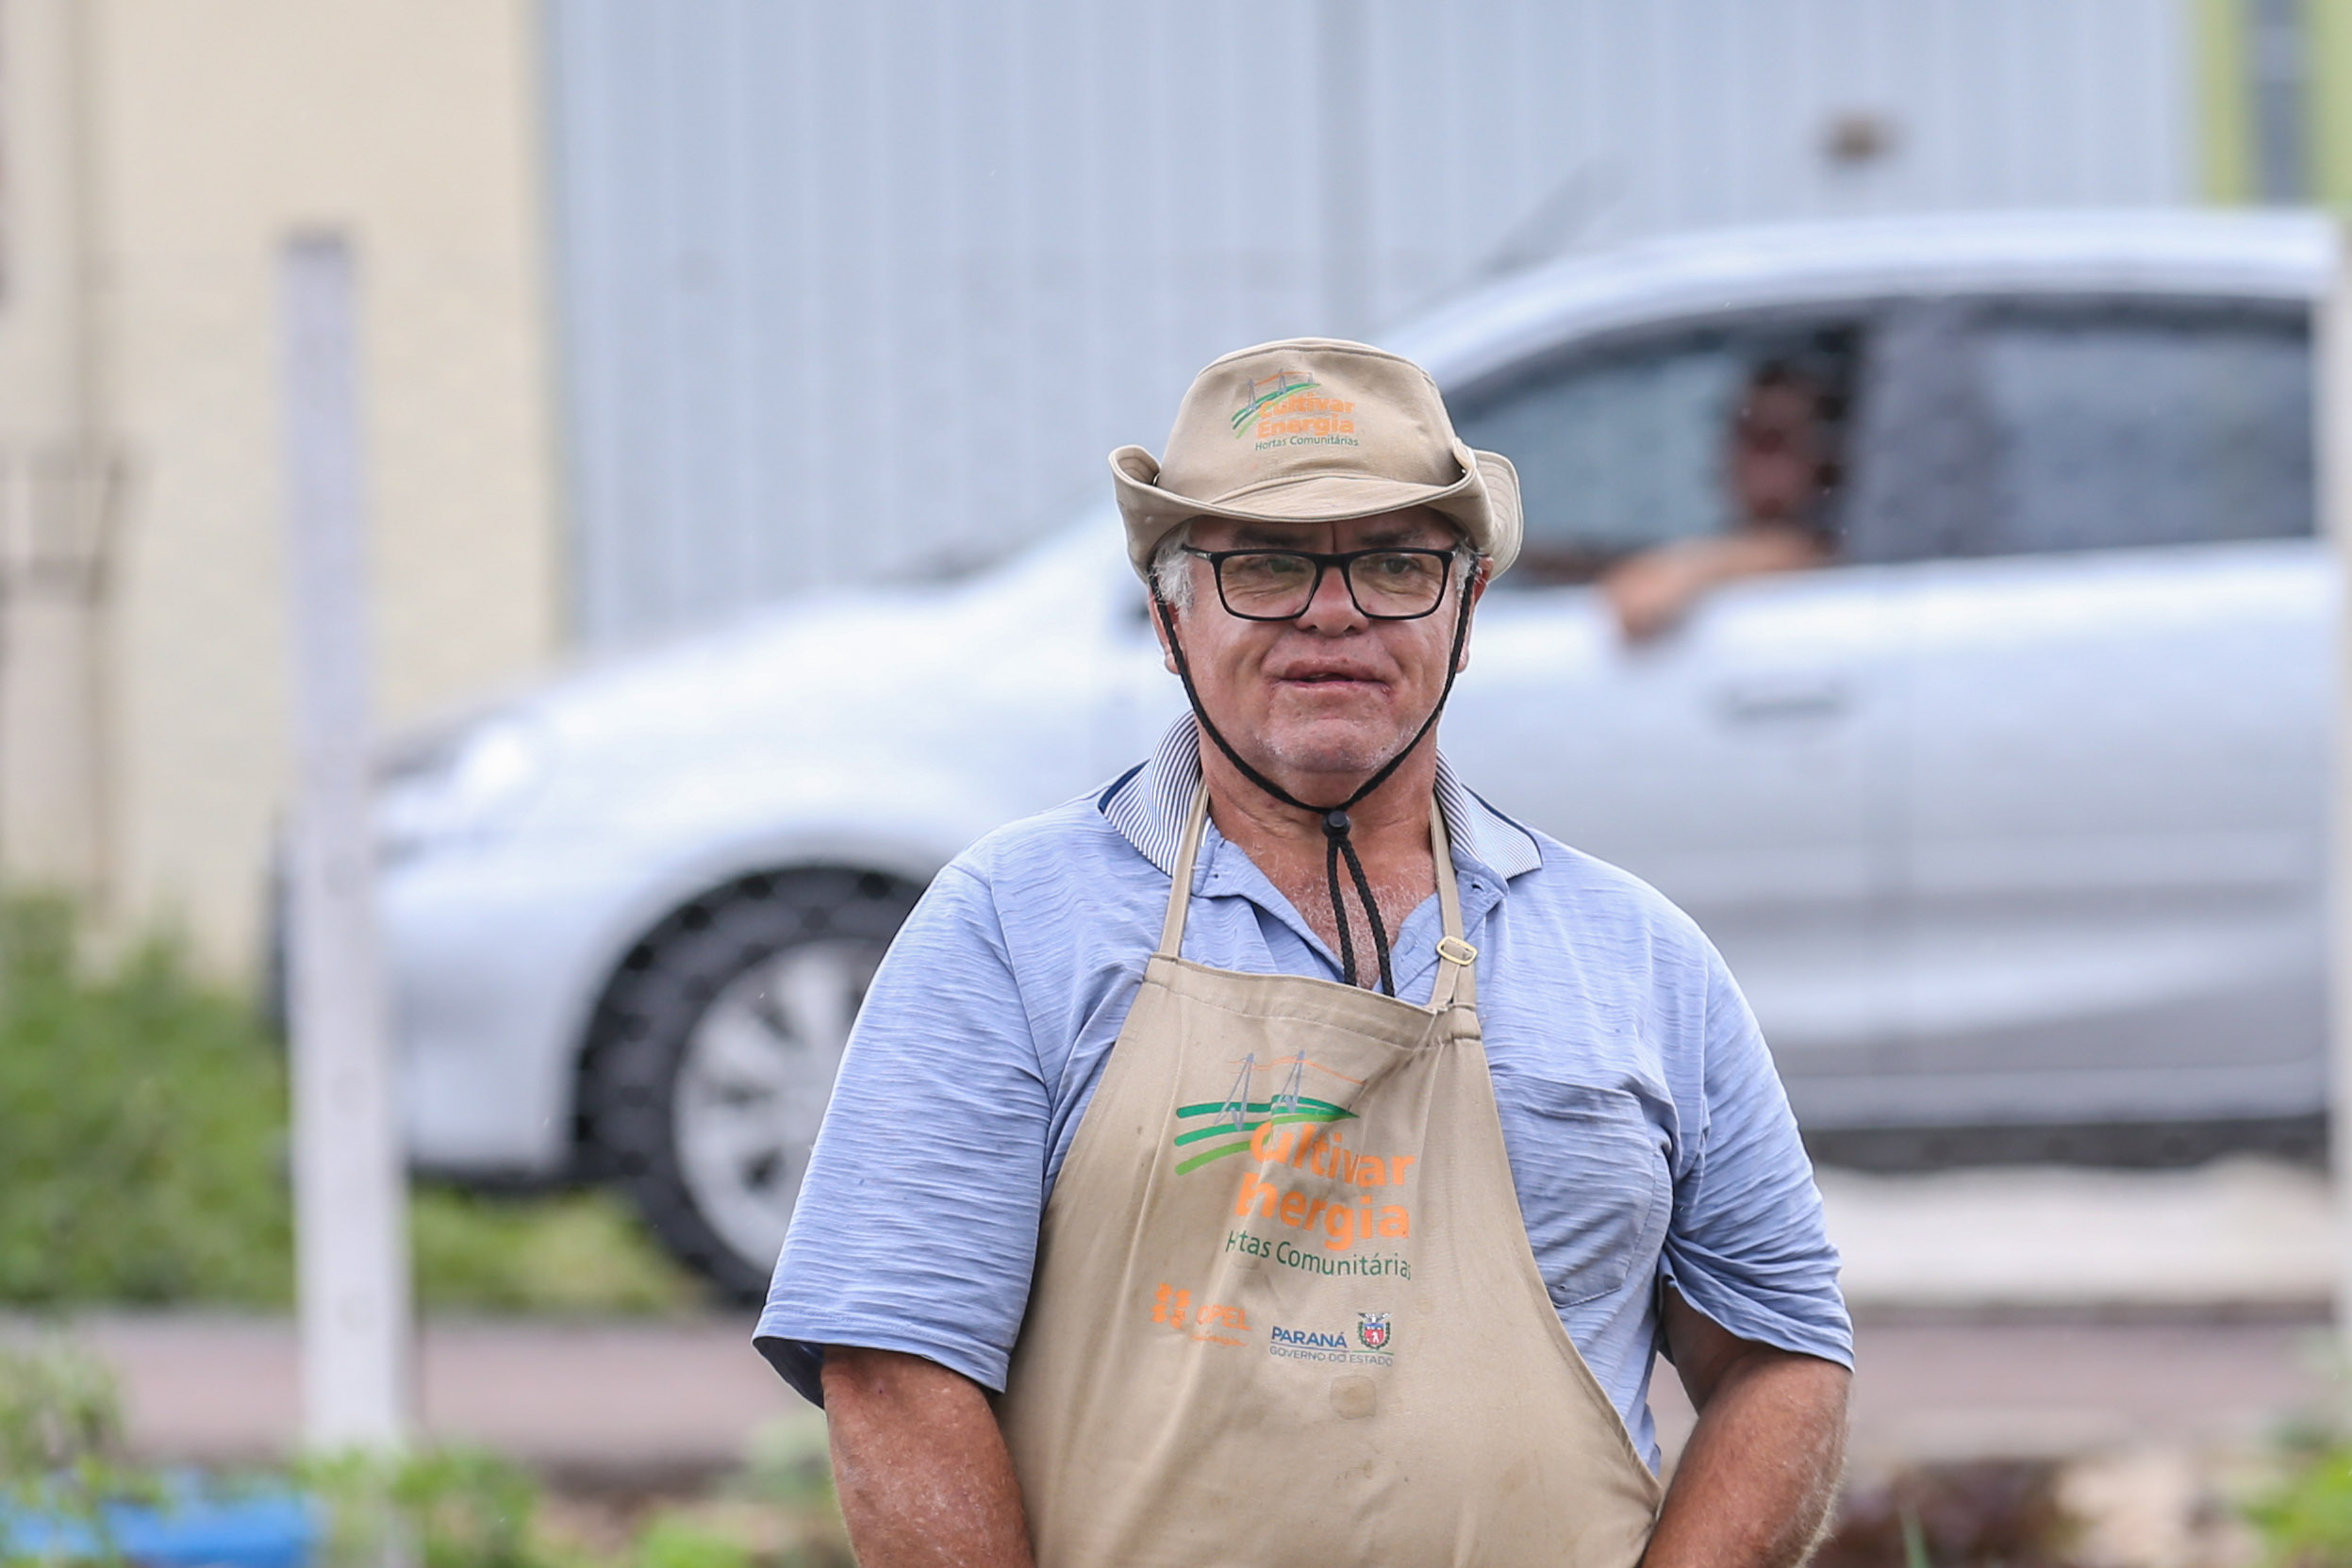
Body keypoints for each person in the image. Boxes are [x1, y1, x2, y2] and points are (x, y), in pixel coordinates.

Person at [756, 338, 1853, 1568]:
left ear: (1467, 607)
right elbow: (893, 1364)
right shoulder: (1011, 924)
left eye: (1393, 563)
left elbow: (1778, 1352)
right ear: (1170, 616)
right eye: (1266, 565)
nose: (1332, 614)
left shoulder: (1638, 954)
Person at [1600, 359, 1844, 640]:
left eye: (1774, 441)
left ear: (1825, 458)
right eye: (1743, 436)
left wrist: (1678, 573)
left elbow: (1794, 552)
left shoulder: (1851, 547)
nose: (1753, 460)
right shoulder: (1729, 545)